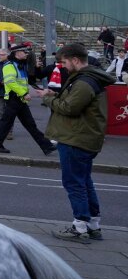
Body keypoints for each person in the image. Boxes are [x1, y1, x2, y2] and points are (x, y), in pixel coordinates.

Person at [37, 43, 116, 243]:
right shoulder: (88, 79)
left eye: (64, 62)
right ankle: (93, 225)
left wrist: (48, 100)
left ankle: (79, 227)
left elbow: (70, 108)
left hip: (76, 138)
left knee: (74, 183)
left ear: (75, 60)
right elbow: (74, 102)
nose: (62, 66)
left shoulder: (84, 82)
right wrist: (56, 95)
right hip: (84, 137)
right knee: (84, 181)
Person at [0, 45, 56, 155]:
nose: (26, 54)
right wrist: (24, 93)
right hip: (13, 98)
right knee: (7, 123)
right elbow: (10, 82)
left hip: (19, 99)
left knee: (27, 124)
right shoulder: (9, 66)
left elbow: (27, 81)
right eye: (24, 52)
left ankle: (46, 146)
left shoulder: (20, 65)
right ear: (17, 53)